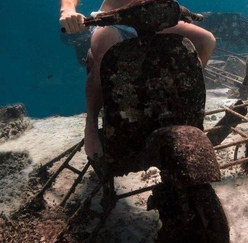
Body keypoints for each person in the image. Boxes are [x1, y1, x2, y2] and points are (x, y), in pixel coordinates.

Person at [59, 0, 216, 160]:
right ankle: (91, 124)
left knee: (206, 41)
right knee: (104, 52)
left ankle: (180, 100)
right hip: (114, 22)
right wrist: (68, 10)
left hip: (154, 20)